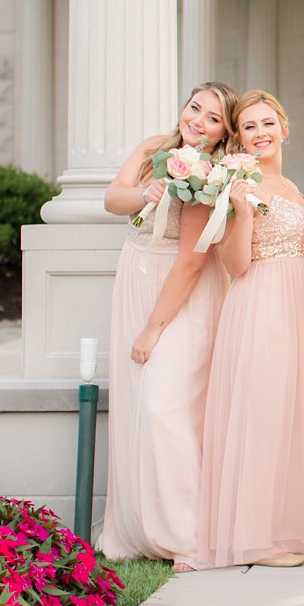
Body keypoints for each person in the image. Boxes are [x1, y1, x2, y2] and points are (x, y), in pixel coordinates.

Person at [100, 81, 237, 568]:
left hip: (181, 294)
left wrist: (154, 328)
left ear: (224, 132)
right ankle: (137, 528)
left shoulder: (211, 176)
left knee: (166, 407)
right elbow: (113, 199)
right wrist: (145, 190)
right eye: (194, 108)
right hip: (134, 277)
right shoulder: (154, 149)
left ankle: (187, 535)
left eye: (212, 118)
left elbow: (193, 261)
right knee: (137, 404)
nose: (197, 121)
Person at [194, 90, 304, 569]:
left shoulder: (291, 185)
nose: (260, 133)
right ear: (237, 137)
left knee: (295, 411)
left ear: (285, 127)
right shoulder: (238, 184)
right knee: (264, 412)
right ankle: (255, 537)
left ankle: (293, 527)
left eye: (268, 123)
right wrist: (244, 212)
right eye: (249, 126)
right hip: (263, 305)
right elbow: (234, 265)